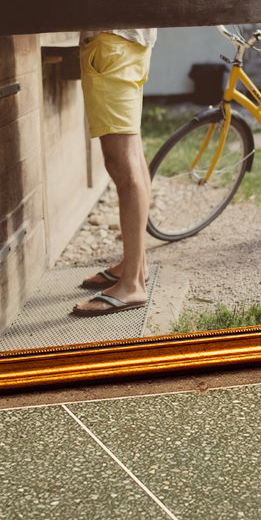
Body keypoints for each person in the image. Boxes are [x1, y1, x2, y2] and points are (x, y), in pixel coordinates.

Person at [71, 27, 157, 317]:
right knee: (133, 156)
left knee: (122, 162)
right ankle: (136, 266)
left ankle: (132, 283)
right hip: (129, 43)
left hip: (111, 43)